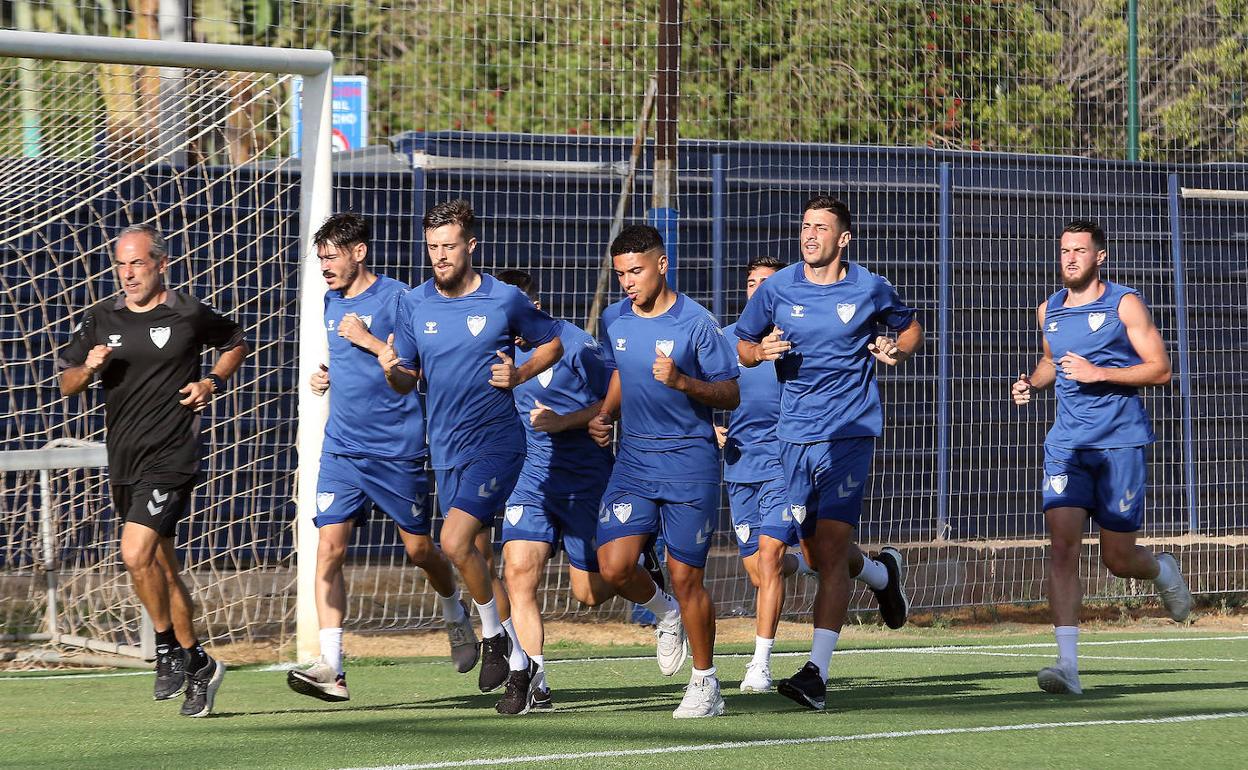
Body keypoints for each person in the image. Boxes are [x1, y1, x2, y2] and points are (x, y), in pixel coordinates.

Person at [57, 223, 249, 717]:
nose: (128, 273)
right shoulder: (102, 319)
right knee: (160, 567)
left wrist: (210, 381)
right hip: (125, 460)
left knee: (133, 550)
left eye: (137, 263)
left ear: (160, 264)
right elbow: (67, 383)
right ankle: (199, 664)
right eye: (121, 264)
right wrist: (90, 368)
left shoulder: (186, 312)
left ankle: (164, 649)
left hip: (172, 456)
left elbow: (234, 342)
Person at [735, 196, 918, 711]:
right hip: (791, 437)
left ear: (844, 239)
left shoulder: (869, 286)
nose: (810, 234)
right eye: (805, 226)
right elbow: (744, 344)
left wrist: (897, 349)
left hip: (849, 433)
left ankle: (816, 674)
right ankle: (883, 575)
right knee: (815, 555)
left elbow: (909, 327)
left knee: (831, 550)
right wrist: (760, 352)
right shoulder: (776, 288)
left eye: (821, 228)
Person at [286, 213, 477, 703]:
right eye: (320, 256)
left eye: (332, 256)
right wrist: (327, 372)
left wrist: (368, 343)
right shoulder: (331, 302)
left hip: (396, 449)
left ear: (359, 253)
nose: (324, 265)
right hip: (342, 449)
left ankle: (455, 610)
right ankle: (333, 667)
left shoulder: (399, 300)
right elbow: (349, 355)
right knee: (328, 550)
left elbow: (412, 371)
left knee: (419, 551)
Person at [381, 199, 563, 709]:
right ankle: (522, 668)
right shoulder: (414, 304)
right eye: (432, 246)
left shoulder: (504, 300)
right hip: (447, 450)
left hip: (497, 444)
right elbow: (405, 379)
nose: (439, 256)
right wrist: (393, 368)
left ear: (470, 246)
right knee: (476, 556)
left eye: (449, 246)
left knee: (453, 540)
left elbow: (551, 344)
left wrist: (520, 373)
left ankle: (494, 639)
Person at [1011, 219, 1192, 695]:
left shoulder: (1123, 303)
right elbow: (1053, 360)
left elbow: (1160, 369)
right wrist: (1031, 382)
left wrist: (1100, 373)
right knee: (1063, 548)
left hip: (1120, 445)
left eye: (1079, 250)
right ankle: (1067, 666)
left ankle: (1161, 570)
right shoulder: (1048, 309)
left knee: (1118, 557)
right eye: (1064, 250)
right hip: (1067, 446)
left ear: (1100, 257)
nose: (1070, 257)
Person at [589, 224, 740, 719]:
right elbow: (617, 372)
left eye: (635, 271)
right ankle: (664, 612)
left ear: (662, 264)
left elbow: (729, 392)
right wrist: (605, 414)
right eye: (621, 274)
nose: (627, 282)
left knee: (686, 575)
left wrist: (681, 381)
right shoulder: (614, 318)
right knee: (612, 567)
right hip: (633, 461)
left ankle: (706, 684)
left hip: (688, 464)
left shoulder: (697, 323)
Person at [493, 269, 619, 714]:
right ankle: (535, 679)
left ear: (535, 310)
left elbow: (614, 402)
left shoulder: (578, 345)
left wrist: (566, 421)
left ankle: (639, 567)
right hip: (531, 477)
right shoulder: (495, 350)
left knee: (588, 592)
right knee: (518, 570)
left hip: (585, 477)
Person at [717, 255, 815, 694]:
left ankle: (760, 664)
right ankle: (854, 567)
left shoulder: (802, 340)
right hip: (740, 466)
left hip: (784, 463)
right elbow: (698, 392)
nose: (757, 290)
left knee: (770, 560)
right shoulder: (725, 341)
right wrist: (709, 427)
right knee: (760, 572)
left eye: (767, 284)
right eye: (751, 282)